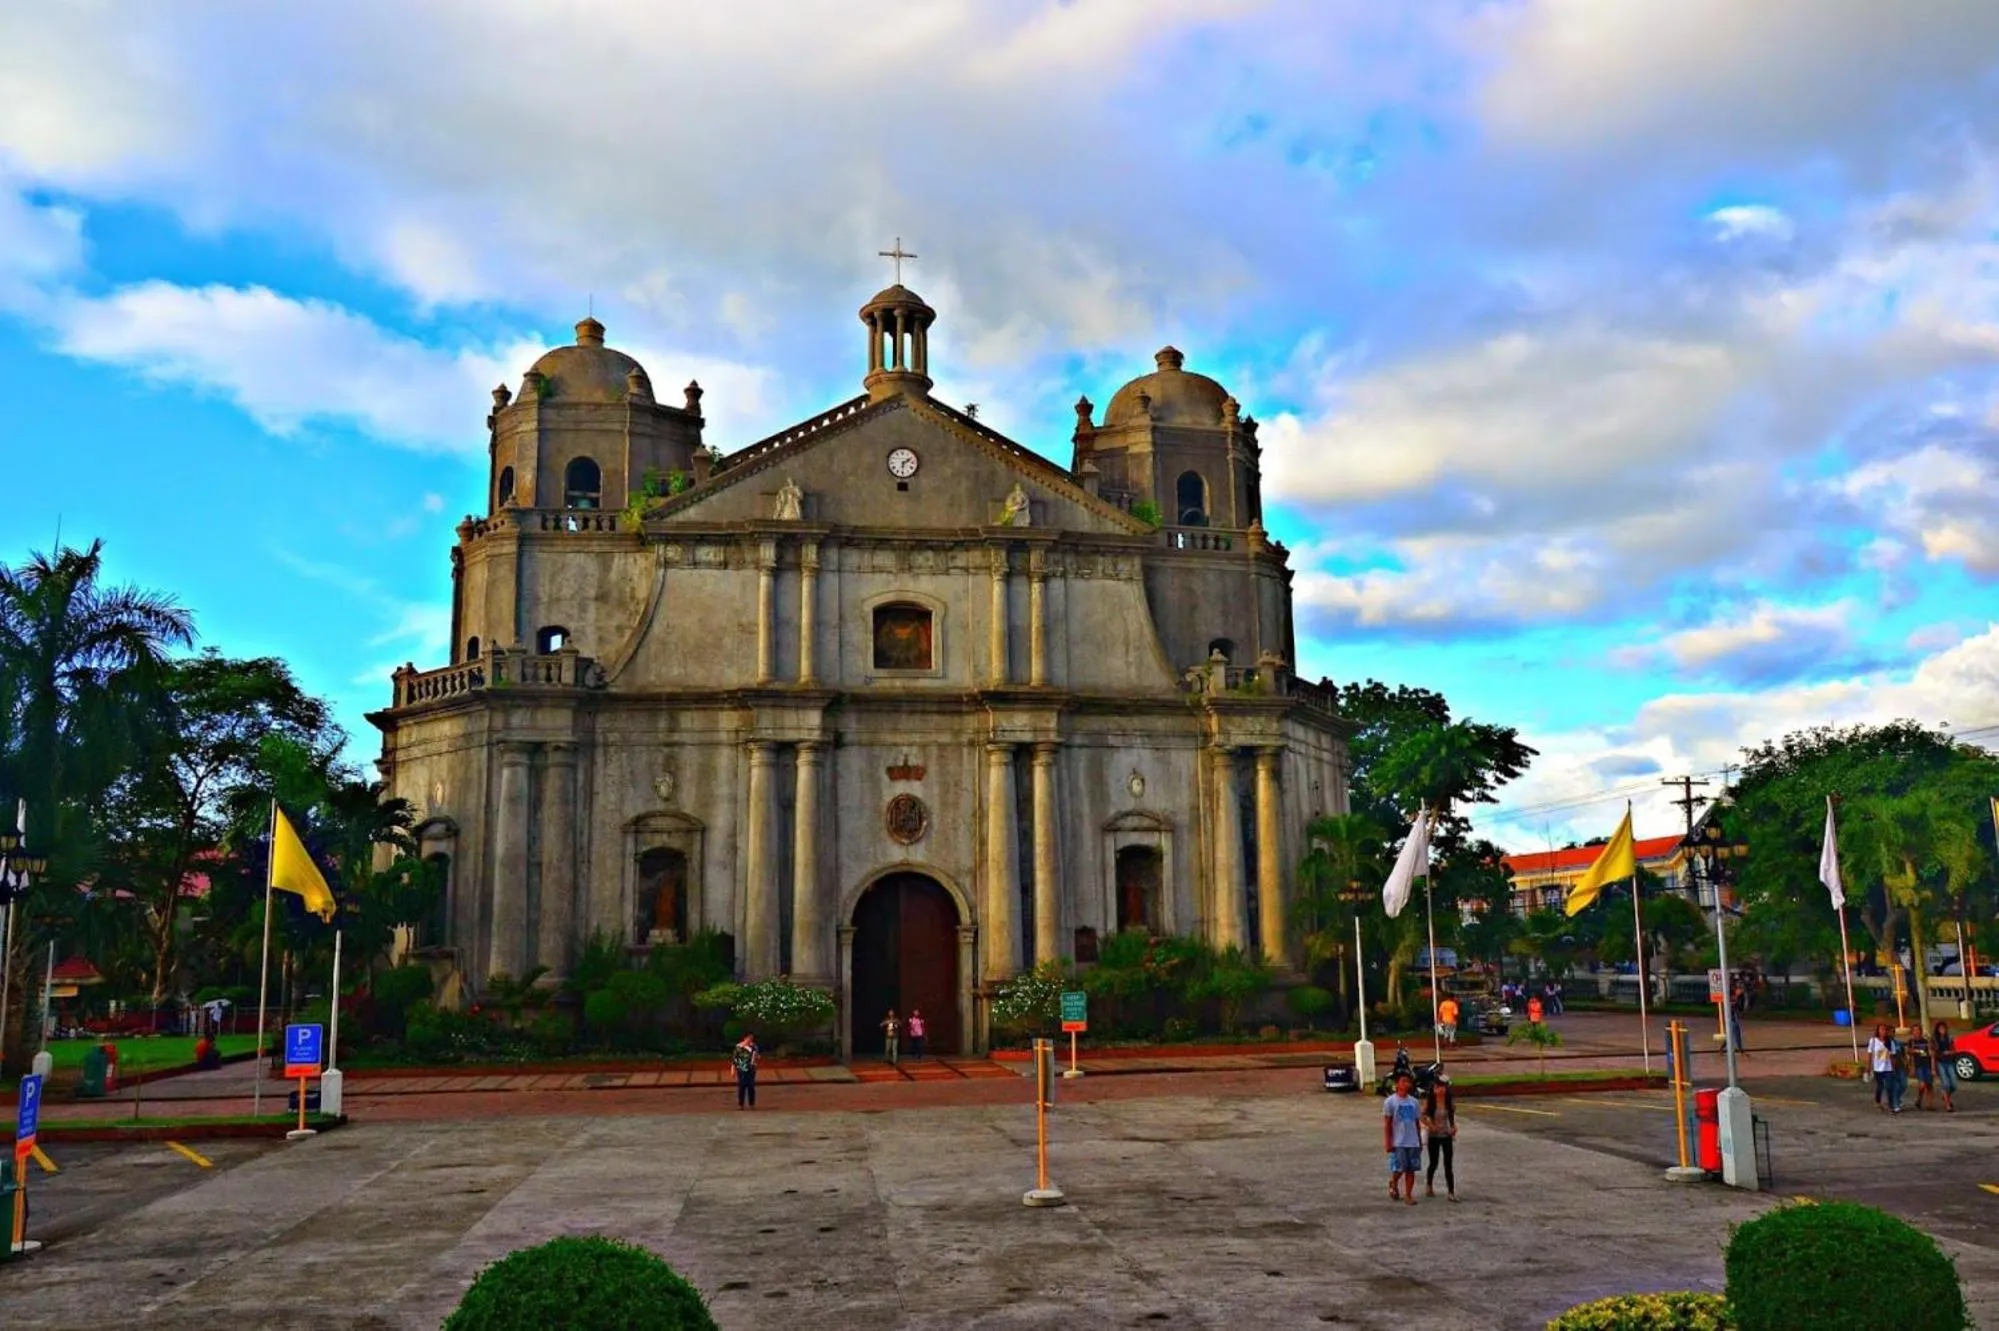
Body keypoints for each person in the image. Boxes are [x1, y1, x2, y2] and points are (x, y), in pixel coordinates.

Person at [1383, 1071, 1423, 1205]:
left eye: (1408, 1081)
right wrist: (1388, 1141)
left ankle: (1408, 1195)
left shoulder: (1414, 1102)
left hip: (1412, 1140)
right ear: (1397, 1084)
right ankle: (1394, 1181)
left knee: (1411, 1169)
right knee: (1400, 1168)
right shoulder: (1390, 1102)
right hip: (1399, 1141)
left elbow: (1416, 1122)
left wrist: (1419, 1140)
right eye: (1403, 1081)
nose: (1406, 1084)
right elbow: (1388, 1124)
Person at [1422, 1072, 1459, 1201]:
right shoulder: (1430, 1102)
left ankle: (1451, 1191)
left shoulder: (1449, 1103)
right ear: (1434, 1089)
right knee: (1434, 1162)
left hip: (1446, 1135)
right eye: (1438, 1088)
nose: (1440, 1090)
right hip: (1434, 1136)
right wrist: (1430, 1125)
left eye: (1443, 1087)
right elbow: (1422, 1117)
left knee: (1448, 1163)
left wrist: (1453, 1127)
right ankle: (1429, 1184)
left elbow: (1451, 1118)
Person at [1866, 1022, 1901, 1113]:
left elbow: (1893, 1056)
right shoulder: (1873, 1041)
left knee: (1889, 1086)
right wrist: (1869, 1067)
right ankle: (1878, 1101)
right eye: (1881, 1029)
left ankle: (1890, 1105)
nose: (1884, 1031)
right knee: (1880, 1086)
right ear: (1878, 1031)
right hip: (1878, 1067)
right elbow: (1870, 1054)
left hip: (1888, 1067)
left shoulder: (1890, 1042)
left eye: (1885, 1030)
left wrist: (1893, 1067)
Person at [1932, 1019, 1958, 1112]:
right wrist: (1933, 1068)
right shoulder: (1935, 1039)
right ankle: (1948, 1104)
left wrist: (1950, 1052)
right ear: (1937, 1030)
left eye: (1944, 1028)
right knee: (1945, 1084)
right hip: (1940, 1062)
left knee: (1954, 1085)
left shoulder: (1950, 1038)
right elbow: (1933, 1054)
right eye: (1940, 1028)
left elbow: (1955, 1050)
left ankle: (1945, 1095)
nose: (1942, 1030)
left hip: (1949, 1061)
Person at [732, 1032, 761, 1110]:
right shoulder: (739, 1047)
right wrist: (733, 1069)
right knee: (742, 1086)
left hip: (751, 1069)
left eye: (751, 1038)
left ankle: (751, 1104)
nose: (750, 1040)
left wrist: (757, 1057)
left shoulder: (754, 1046)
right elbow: (734, 1059)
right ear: (745, 1038)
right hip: (741, 1069)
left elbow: (758, 1056)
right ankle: (740, 1104)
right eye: (749, 1038)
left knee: (751, 1086)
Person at [1909, 1025, 1935, 1110]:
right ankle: (1919, 1098)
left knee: (1929, 1084)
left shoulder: (1926, 1041)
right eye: (1915, 1030)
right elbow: (1909, 1052)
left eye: (1918, 1030)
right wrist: (1915, 1051)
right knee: (1922, 1085)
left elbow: (1931, 1053)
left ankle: (1929, 1103)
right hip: (1918, 1065)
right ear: (1912, 1032)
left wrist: (1933, 1068)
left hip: (1927, 1064)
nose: (1917, 1032)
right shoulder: (1912, 1041)